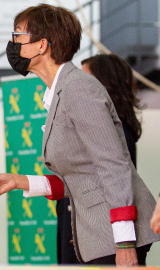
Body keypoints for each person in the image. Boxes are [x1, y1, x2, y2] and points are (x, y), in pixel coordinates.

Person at [0, 4, 160, 266]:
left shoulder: (78, 88)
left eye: (18, 36)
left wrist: (125, 243)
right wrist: (17, 181)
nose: (12, 43)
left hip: (114, 237)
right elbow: (79, 179)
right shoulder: (60, 92)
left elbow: (113, 166)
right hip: (97, 234)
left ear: (41, 45)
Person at [55, 53, 145, 264]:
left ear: (104, 85)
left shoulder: (113, 130)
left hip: (100, 241)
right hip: (81, 233)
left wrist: (124, 245)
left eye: (85, 80)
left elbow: (111, 183)